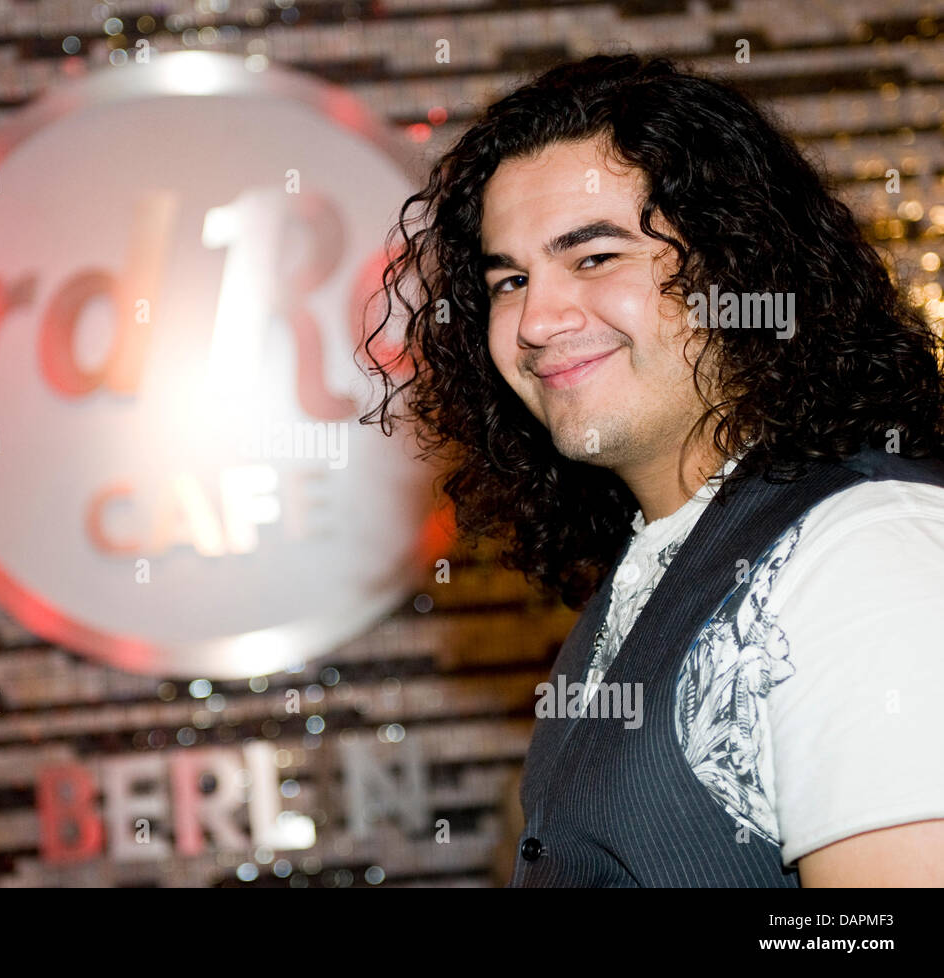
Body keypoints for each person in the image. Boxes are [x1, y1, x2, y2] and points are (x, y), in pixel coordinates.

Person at [361, 53, 944, 886]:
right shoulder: (654, 566)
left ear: (738, 265)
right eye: (511, 280)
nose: (536, 320)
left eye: (594, 258)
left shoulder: (863, 553)